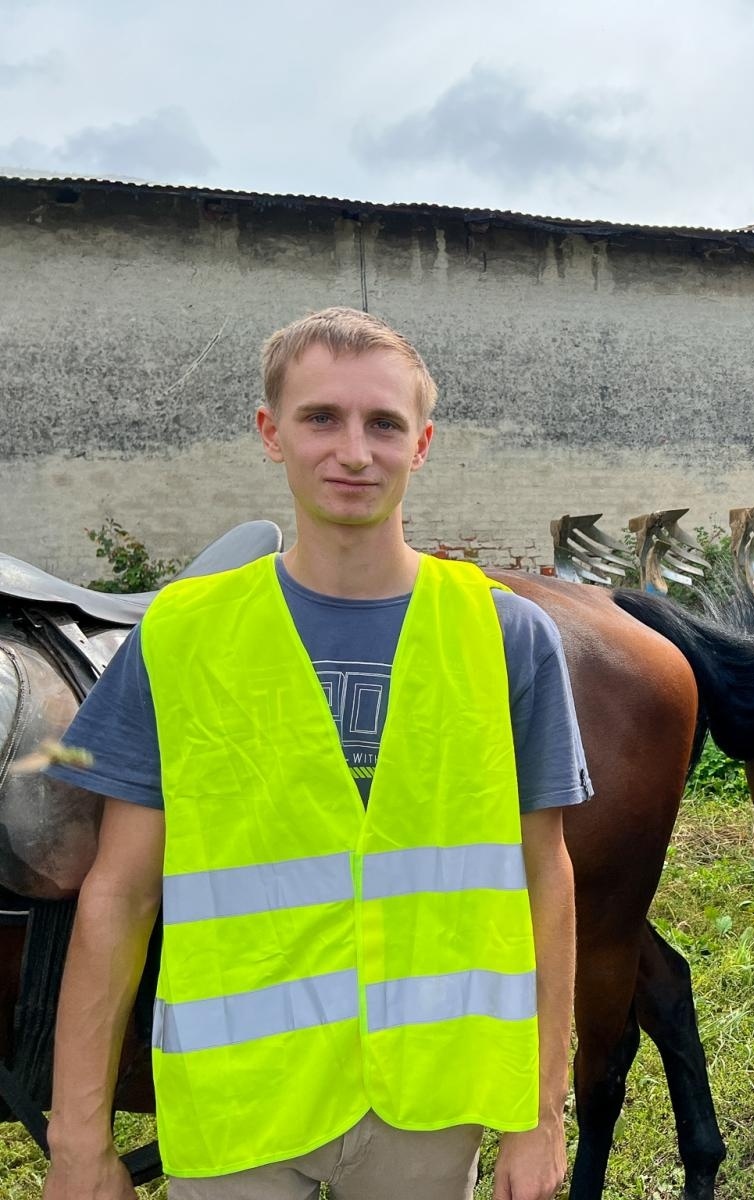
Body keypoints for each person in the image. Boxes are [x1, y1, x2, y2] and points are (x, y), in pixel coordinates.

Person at [41, 307, 589, 1200]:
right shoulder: (180, 637)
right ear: (271, 434)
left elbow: (545, 876)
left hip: (431, 1098)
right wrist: (77, 1137)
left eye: (384, 423)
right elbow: (121, 892)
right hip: (239, 1103)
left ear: (422, 445)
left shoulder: (506, 637)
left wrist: (540, 1111)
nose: (353, 450)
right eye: (320, 418)